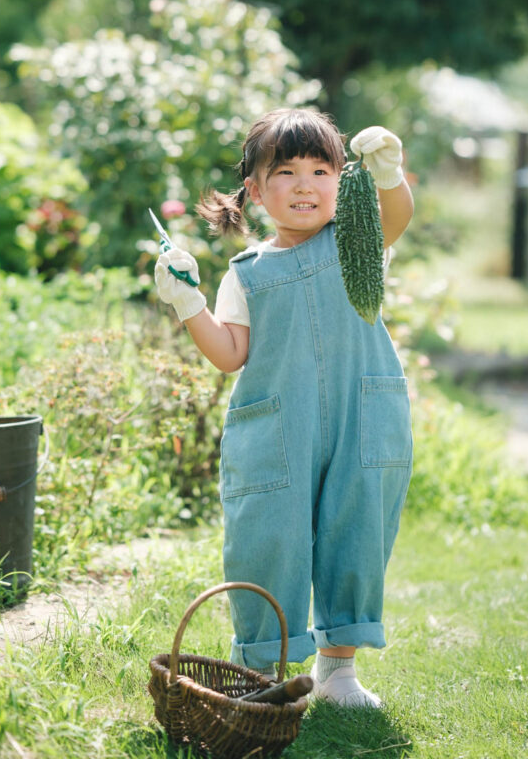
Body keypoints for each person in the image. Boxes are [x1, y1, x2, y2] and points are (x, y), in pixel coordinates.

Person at [154, 108, 414, 708]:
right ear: (255, 190)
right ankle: (265, 672)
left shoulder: (357, 246)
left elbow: (395, 217)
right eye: (287, 172)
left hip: (361, 418)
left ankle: (338, 671)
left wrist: (391, 174)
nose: (305, 185)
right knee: (268, 537)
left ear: (343, 179)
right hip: (278, 428)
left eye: (322, 170)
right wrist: (187, 301)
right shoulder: (246, 274)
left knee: (357, 529)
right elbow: (228, 352)